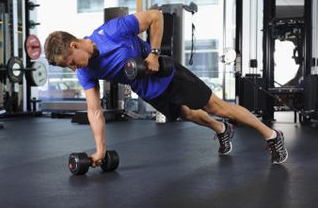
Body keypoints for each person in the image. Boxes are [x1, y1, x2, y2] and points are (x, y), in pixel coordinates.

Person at [44, 9, 288, 167]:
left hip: (166, 74)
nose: (74, 70)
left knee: (217, 105)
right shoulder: (87, 70)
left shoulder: (112, 32)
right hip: (149, 90)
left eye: (71, 63)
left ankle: (272, 135)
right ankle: (221, 129)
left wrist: (153, 53)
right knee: (186, 113)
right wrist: (100, 150)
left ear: (75, 46)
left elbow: (155, 16)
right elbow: (94, 110)